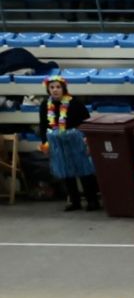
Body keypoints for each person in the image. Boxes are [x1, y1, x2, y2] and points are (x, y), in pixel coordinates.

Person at [40, 75, 100, 212]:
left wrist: (87, 139)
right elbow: (43, 125)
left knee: (84, 171)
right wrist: (44, 143)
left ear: (64, 88)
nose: (55, 90)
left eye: (58, 87)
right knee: (66, 172)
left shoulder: (75, 103)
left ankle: (92, 200)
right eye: (52, 87)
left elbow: (86, 122)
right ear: (48, 89)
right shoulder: (45, 105)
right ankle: (74, 201)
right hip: (57, 142)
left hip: (75, 139)